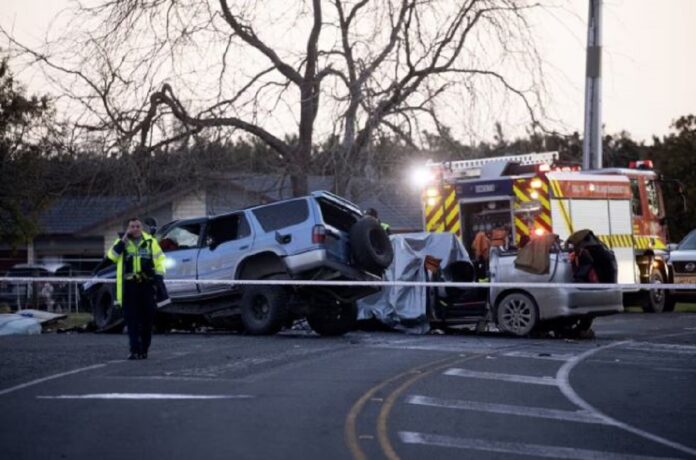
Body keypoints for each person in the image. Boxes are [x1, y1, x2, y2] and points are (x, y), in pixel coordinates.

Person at [106, 217, 166, 360]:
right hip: (129, 287)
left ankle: (144, 349)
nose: (135, 229)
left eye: (137, 226)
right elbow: (112, 257)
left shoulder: (151, 242)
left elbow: (160, 261)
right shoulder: (121, 242)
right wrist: (123, 241)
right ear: (128, 228)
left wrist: (157, 279)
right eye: (132, 226)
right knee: (131, 320)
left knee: (147, 320)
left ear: (142, 228)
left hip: (146, 286)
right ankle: (134, 350)